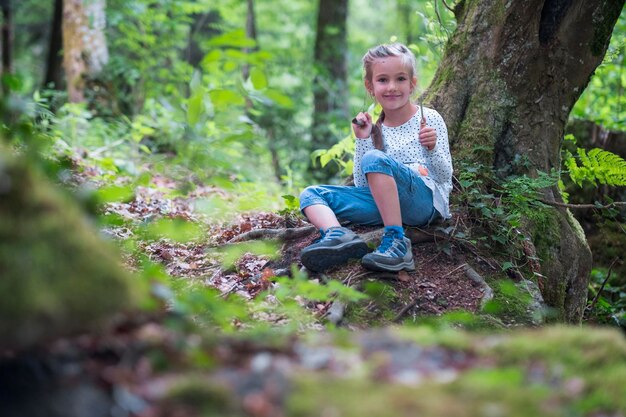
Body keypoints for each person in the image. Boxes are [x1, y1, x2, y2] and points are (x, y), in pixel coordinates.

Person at [299, 42, 452, 273]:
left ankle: (397, 242)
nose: (392, 87)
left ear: (412, 84)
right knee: (311, 194)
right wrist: (362, 139)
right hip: (385, 205)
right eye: (382, 80)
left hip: (424, 203)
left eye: (400, 79)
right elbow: (362, 185)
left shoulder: (428, 119)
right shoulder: (375, 129)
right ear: (370, 86)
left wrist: (432, 148)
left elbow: (445, 177)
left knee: (374, 159)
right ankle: (337, 236)